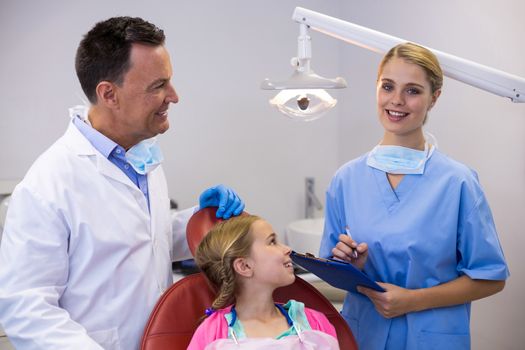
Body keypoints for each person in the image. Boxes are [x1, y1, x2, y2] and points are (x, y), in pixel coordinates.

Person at [0, 17, 245, 350]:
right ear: (109, 94)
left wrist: (200, 220)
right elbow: (26, 309)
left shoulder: (141, 158)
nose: (174, 96)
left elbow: (141, 240)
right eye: (158, 85)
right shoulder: (46, 187)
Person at [319, 42, 509, 350]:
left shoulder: (457, 182)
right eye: (388, 86)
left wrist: (413, 301)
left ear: (434, 98)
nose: (396, 100)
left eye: (413, 90)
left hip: (432, 339)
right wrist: (352, 265)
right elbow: (331, 268)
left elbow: (491, 277)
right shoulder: (346, 179)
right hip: (363, 336)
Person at [187, 215, 339, 349]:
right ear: (244, 266)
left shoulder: (314, 323)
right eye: (272, 242)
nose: (287, 249)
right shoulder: (212, 332)